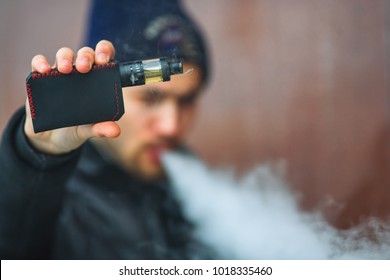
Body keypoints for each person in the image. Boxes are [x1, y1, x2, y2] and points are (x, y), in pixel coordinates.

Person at [0, 0, 213, 259]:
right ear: (102, 91)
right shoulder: (60, 198)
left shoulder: (194, 187)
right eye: (150, 98)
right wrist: (35, 159)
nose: (171, 126)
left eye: (187, 100)